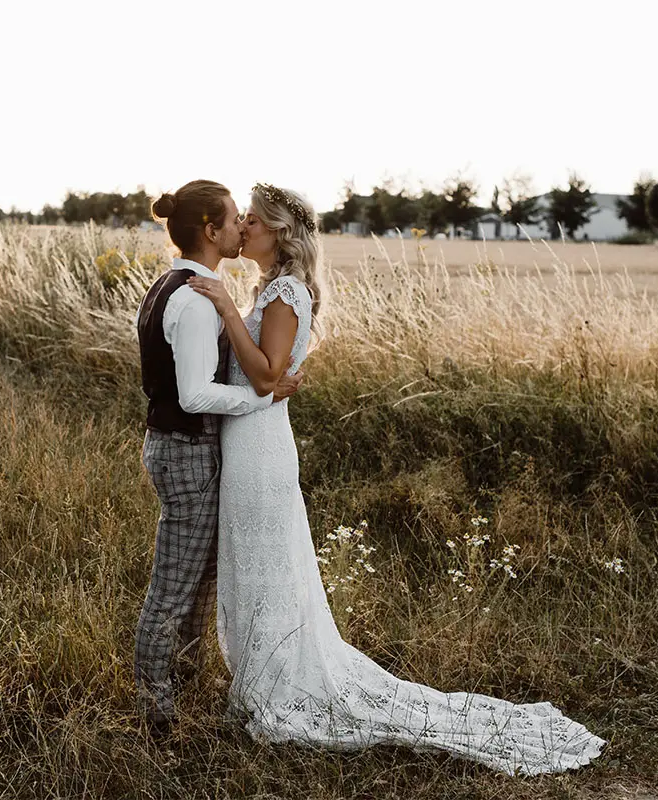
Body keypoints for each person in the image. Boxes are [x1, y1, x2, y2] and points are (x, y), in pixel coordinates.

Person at [185, 182, 606, 776]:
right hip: (250, 441)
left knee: (267, 563)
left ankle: (280, 689)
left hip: (259, 448)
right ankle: (264, 679)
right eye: (242, 218)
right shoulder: (270, 289)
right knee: (260, 564)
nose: (243, 227)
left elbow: (265, 377)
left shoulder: (282, 292)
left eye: (252, 219)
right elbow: (266, 378)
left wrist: (227, 309)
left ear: (277, 231)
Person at [133, 179, 302, 735]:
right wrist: (262, 394)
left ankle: (181, 690)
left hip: (179, 448)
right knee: (174, 588)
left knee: (199, 581)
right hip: (186, 451)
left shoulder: (173, 285)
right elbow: (196, 395)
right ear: (210, 231)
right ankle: (157, 713)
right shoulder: (196, 299)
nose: (240, 227)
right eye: (233, 219)